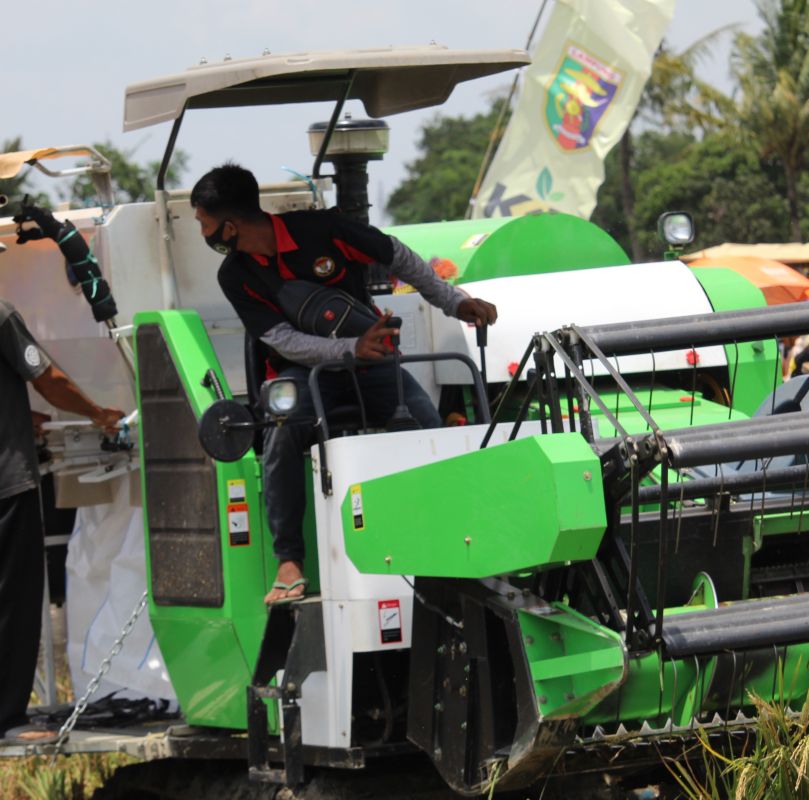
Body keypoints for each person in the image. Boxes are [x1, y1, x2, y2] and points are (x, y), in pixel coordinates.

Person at [191, 163, 497, 604]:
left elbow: (398, 257)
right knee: (281, 435)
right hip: (303, 373)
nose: (205, 233)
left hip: (372, 362)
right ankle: (290, 561)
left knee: (424, 421)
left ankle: (449, 539)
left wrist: (454, 302)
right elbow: (282, 340)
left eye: (204, 223)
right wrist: (350, 349)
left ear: (231, 225)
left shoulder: (324, 229)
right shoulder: (235, 275)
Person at [0, 299, 123, 742]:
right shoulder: (0, 314)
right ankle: (8, 719)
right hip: (6, 483)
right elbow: (49, 379)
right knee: (14, 600)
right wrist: (98, 413)